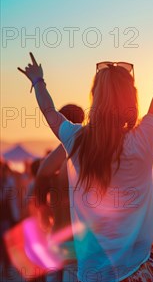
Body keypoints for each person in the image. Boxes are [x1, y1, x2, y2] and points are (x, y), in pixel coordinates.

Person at [17, 1, 153, 282]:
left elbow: (49, 111)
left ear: (94, 98)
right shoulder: (144, 140)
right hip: (138, 270)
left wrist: (38, 82)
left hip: (92, 273)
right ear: (129, 99)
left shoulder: (77, 141)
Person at [35, 104, 85, 282]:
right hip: (76, 243)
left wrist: (42, 209)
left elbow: (42, 174)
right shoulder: (79, 152)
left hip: (58, 238)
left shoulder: (58, 157)